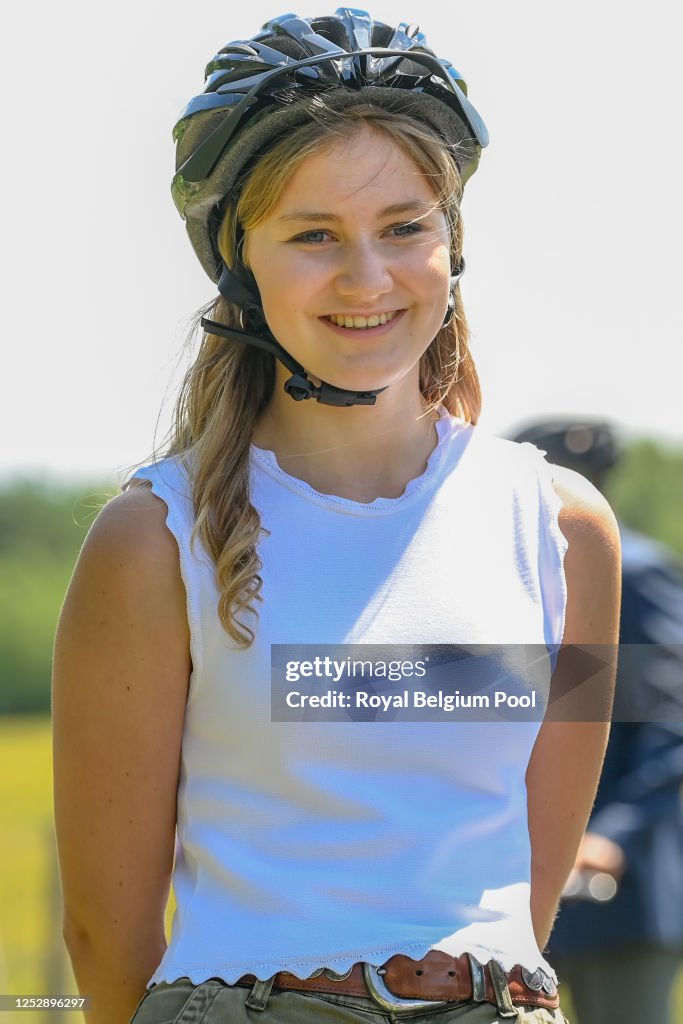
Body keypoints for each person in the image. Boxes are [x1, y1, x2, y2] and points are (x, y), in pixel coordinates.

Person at [51, 11, 621, 1024]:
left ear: (452, 243)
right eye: (313, 235)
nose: (367, 277)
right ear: (240, 263)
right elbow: (106, 931)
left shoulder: (565, 533)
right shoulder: (153, 540)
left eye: (405, 227)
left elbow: (529, 893)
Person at [509, 418, 683, 1024]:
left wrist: (613, 834)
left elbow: (672, 722)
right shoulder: (512, 573)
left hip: (617, 887)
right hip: (525, 876)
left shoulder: (632, 568)